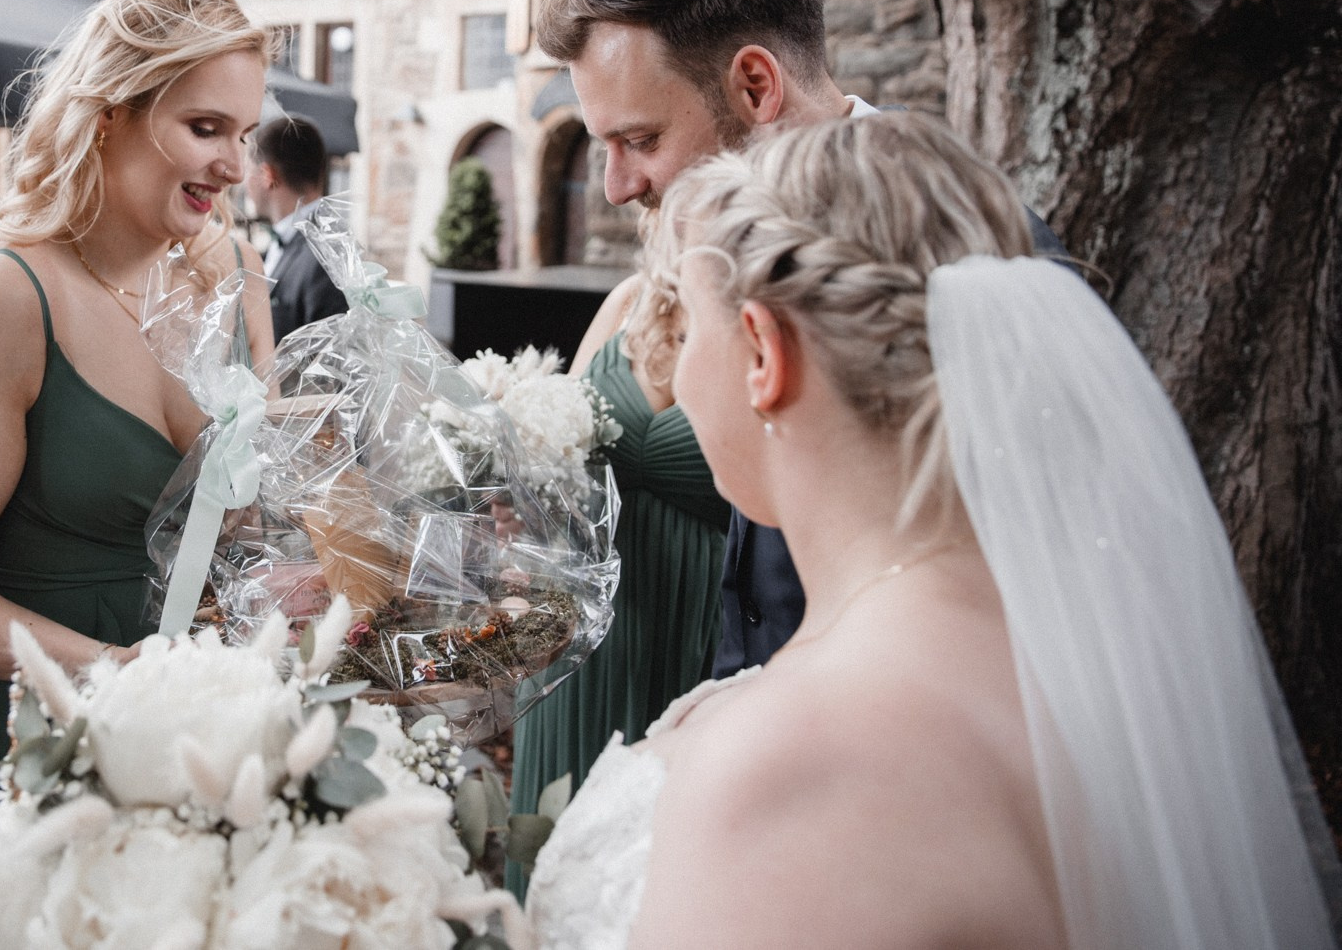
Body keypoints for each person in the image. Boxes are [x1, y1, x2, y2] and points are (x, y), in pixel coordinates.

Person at [525, 112, 1339, 950]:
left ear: (763, 352)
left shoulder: (792, 761)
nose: (679, 371)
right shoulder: (1100, 670)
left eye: (689, 327)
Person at [0, 0, 278, 940]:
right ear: (109, 114)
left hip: (200, 729)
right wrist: (113, 676)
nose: (233, 165)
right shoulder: (7, 298)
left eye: (245, 136)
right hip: (39, 717)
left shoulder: (231, 272)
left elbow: (246, 506)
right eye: (205, 128)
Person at [535, 0, 1064, 681]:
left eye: (641, 140)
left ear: (755, 85)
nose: (615, 187)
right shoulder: (723, 247)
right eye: (603, 147)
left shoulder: (981, 256)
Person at [504, 221, 727, 898]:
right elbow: (553, 451)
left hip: (691, 632)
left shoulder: (765, 311)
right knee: (553, 864)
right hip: (575, 648)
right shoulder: (629, 300)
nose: (623, 187)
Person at [245, 114, 349, 341]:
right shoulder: (287, 243)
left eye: (248, 171)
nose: (244, 183)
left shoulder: (324, 256)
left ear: (267, 175)